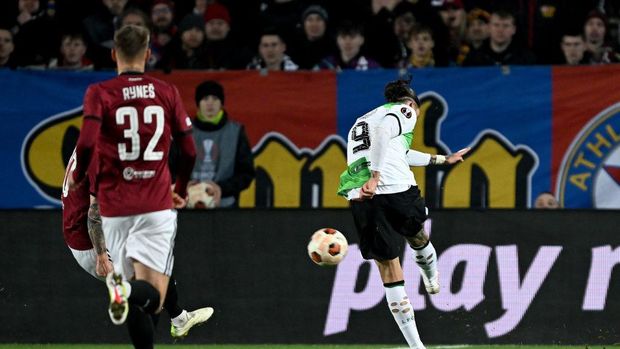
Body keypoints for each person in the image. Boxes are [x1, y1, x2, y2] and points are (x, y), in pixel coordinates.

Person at [68, 25, 197, 349]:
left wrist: (78, 172)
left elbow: (84, 144)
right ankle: (126, 292)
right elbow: (190, 150)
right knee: (153, 296)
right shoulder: (165, 91)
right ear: (149, 54)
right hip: (153, 208)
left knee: (140, 298)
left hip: (116, 211)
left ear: (114, 54)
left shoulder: (100, 94)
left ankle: (126, 292)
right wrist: (180, 187)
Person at [337, 78, 469, 349]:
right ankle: (431, 274)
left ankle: (416, 346)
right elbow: (385, 136)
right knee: (417, 235)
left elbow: (397, 152)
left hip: (360, 194)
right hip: (393, 187)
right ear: (411, 103)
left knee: (388, 266)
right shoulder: (404, 111)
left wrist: (443, 159)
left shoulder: (362, 121)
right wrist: (375, 177)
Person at [61, 149, 213, 339]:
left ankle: (177, 317)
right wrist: (101, 255)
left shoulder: (92, 140)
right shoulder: (102, 152)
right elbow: (94, 213)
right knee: (151, 283)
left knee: (152, 285)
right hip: (90, 242)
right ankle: (129, 293)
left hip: (85, 235)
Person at [189, 80, 255, 208]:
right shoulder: (184, 132)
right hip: (189, 206)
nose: (210, 103)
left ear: (221, 103)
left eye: (215, 98)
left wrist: (221, 189)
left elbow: (246, 173)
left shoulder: (236, 132)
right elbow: (169, 169)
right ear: (198, 103)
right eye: (205, 98)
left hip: (226, 207)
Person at [463, 9, 536, 66]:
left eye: (505, 26)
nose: (500, 30)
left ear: (514, 30)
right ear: (489, 28)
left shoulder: (526, 59)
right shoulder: (474, 59)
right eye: (496, 25)